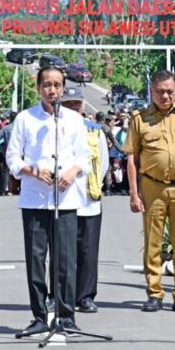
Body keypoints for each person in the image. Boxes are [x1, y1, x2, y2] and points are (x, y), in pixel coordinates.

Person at [7, 66, 91, 335]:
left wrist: (72, 172)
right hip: (34, 199)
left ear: (63, 88)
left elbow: (84, 157)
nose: (52, 90)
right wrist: (33, 170)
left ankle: (66, 316)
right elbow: (12, 158)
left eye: (56, 85)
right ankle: (39, 315)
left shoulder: (74, 120)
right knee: (35, 260)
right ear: (38, 88)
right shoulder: (25, 119)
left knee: (65, 260)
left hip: (65, 200)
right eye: (46, 85)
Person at [124, 69, 175, 315]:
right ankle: (155, 293)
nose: (165, 96)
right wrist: (134, 194)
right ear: (152, 91)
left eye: (170, 91)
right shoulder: (140, 118)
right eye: (160, 92)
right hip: (152, 186)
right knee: (153, 242)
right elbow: (131, 158)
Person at [60, 86, 109, 313]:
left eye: (75, 104)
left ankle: (86, 296)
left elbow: (103, 163)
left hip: (89, 198)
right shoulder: (55, 127)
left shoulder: (94, 131)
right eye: (67, 104)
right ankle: (60, 295)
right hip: (62, 197)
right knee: (63, 250)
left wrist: (93, 184)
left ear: (81, 105)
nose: (72, 108)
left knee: (88, 251)